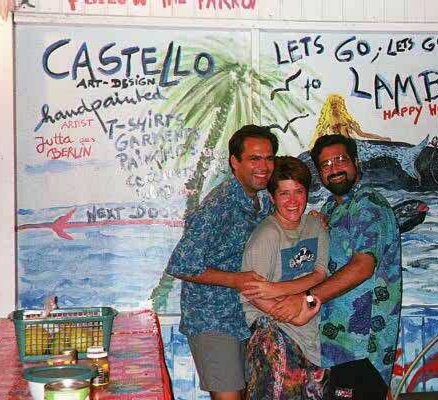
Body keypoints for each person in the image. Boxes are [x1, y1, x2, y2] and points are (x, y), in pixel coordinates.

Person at [272, 134, 402, 400]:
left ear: (356, 162)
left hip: (363, 345)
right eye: (326, 164)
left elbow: (363, 266)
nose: (334, 168)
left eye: (341, 159)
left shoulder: (368, 203)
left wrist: (306, 299)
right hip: (334, 343)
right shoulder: (331, 207)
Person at [165, 125, 278, 400]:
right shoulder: (220, 203)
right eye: (254, 158)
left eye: (269, 158)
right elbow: (181, 263)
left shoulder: (262, 200)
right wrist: (237, 279)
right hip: (212, 319)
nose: (263, 166)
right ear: (234, 162)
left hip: (244, 315)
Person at [240, 156, 328, 400]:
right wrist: (293, 316)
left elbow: (320, 274)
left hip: (309, 327)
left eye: (298, 192)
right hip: (273, 329)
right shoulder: (266, 235)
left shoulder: (316, 225)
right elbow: (252, 293)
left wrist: (279, 289)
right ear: (272, 198)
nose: (292, 201)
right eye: (284, 194)